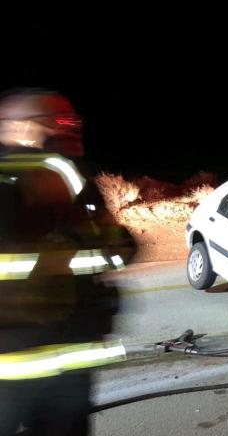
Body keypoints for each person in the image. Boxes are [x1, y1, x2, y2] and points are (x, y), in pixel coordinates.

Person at [0, 90, 126, 435]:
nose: (72, 129)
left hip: (65, 360)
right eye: (61, 122)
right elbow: (118, 248)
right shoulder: (55, 174)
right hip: (30, 366)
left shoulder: (70, 177)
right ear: (20, 126)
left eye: (75, 122)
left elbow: (119, 249)